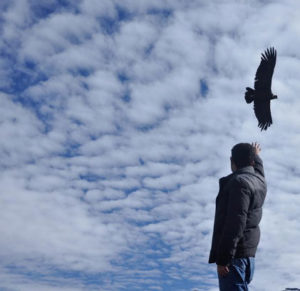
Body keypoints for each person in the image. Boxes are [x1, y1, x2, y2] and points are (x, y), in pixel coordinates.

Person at [208, 142, 267, 291]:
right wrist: (257, 155)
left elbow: (235, 222)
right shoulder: (260, 181)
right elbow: (259, 169)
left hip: (234, 256)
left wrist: (224, 259)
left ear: (232, 161)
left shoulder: (238, 183)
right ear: (252, 161)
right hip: (249, 256)